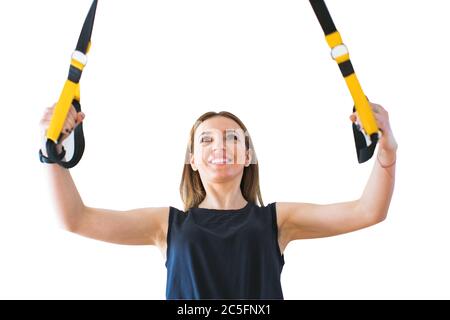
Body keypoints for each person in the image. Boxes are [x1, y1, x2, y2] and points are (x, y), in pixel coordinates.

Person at [39, 102, 397, 299]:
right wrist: (50, 150)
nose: (220, 146)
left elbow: (368, 211)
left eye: (231, 138)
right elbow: (76, 219)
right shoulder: (168, 225)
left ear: (248, 155)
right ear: (192, 160)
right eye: (206, 140)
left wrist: (387, 147)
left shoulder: (278, 220)